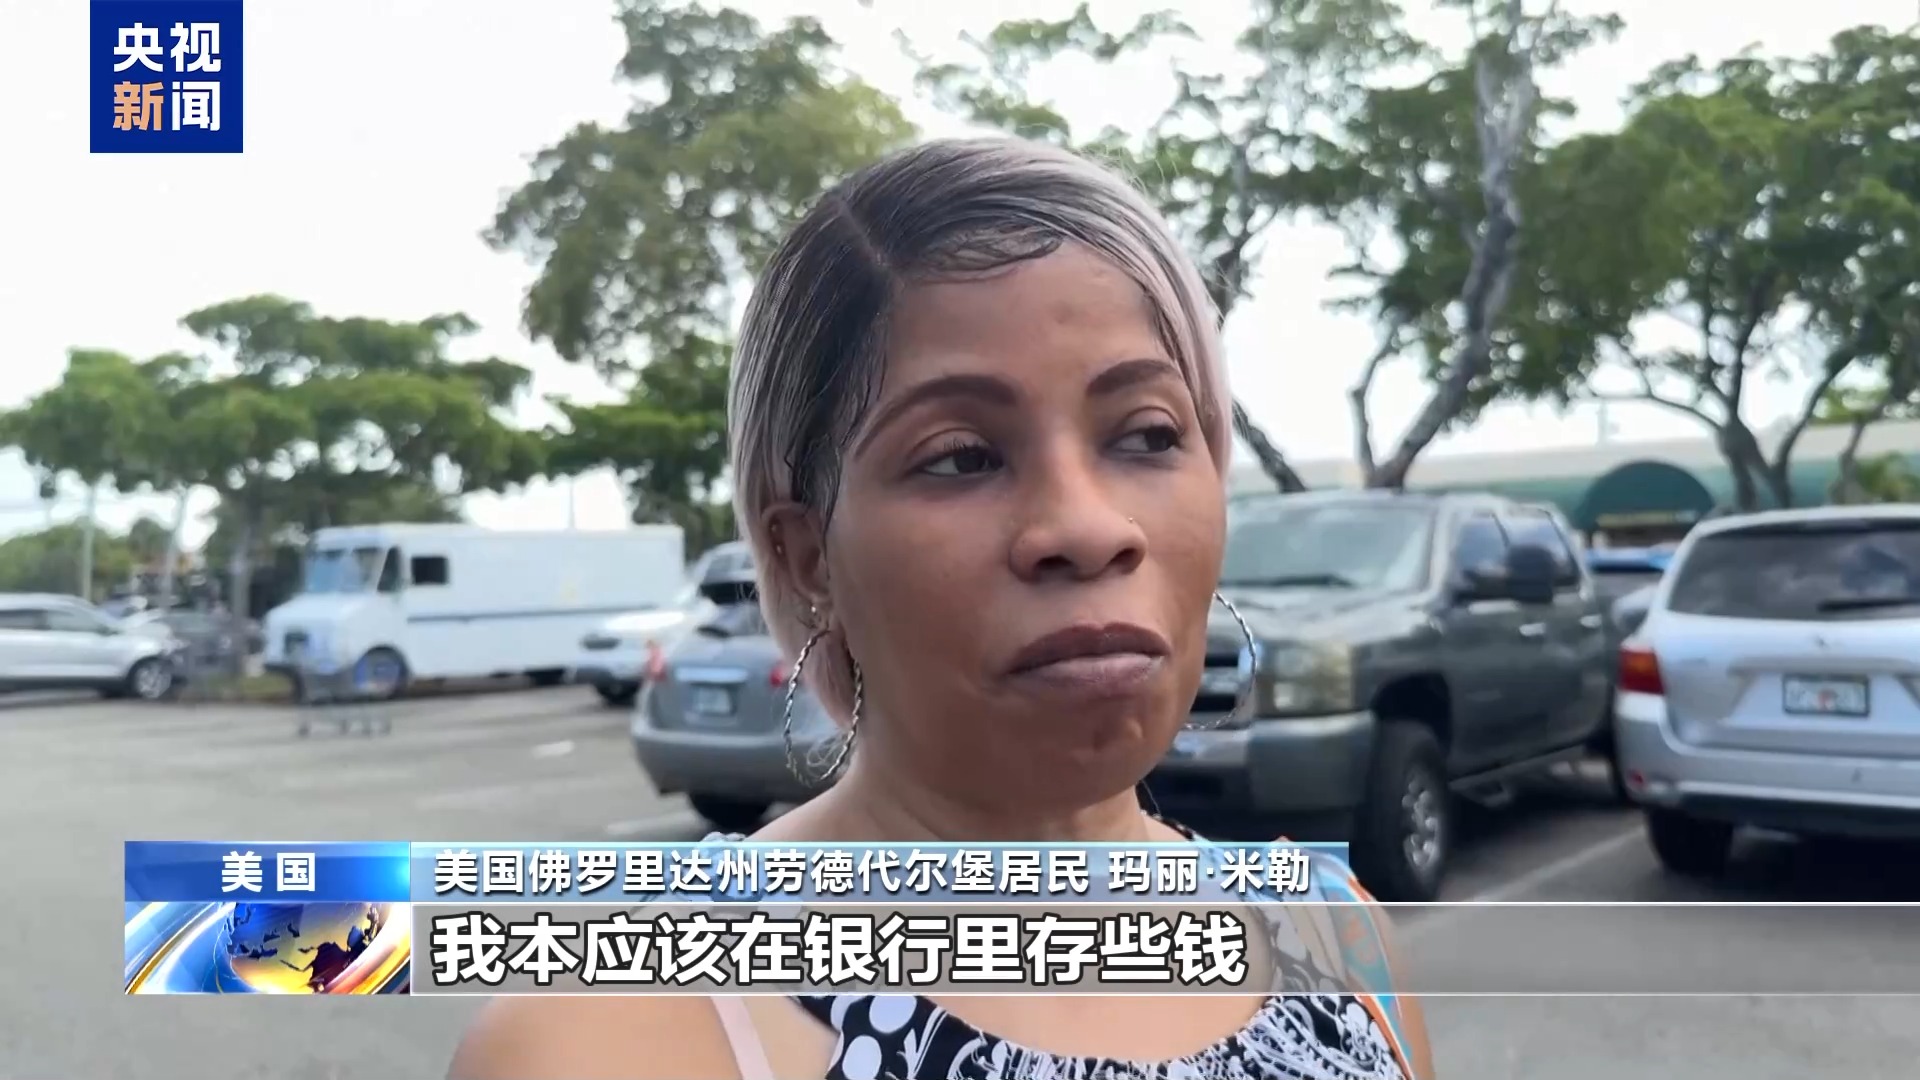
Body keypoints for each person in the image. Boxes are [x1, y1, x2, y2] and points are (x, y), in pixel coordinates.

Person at [449, 136, 1433, 1080]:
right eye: (961, 457)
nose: (1087, 528)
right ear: (804, 555)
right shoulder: (610, 1037)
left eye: (1146, 435)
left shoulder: (1333, 934)